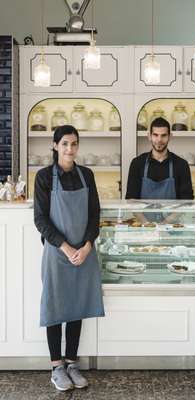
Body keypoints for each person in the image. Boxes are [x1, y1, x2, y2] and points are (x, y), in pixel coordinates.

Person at [34, 125, 104, 392]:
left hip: (83, 251)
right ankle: (56, 367)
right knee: (55, 308)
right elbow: (40, 220)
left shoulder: (87, 175)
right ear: (55, 146)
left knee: (77, 306)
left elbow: (94, 216)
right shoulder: (43, 177)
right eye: (64, 144)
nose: (70, 149)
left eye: (74, 144)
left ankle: (72, 363)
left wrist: (86, 246)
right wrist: (65, 247)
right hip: (57, 252)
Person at [126, 117, 194, 201]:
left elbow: (186, 201)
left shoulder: (181, 165)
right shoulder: (137, 163)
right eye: (155, 135)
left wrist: (171, 215)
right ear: (149, 136)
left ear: (170, 136)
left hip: (173, 214)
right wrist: (142, 215)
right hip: (143, 214)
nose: (159, 140)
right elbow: (131, 199)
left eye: (164, 135)